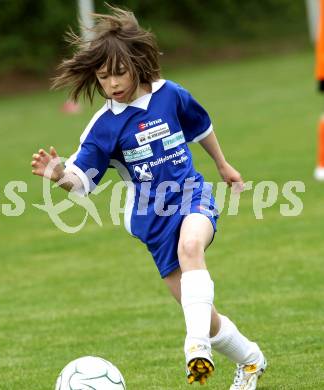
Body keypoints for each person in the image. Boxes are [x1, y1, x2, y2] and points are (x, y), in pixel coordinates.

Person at [31, 6, 266, 389]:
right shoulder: (105, 127)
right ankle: (251, 360)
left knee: (192, 246)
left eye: (119, 73)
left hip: (191, 195)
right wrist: (58, 174)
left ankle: (195, 349)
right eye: (103, 77)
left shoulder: (170, 95)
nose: (112, 84)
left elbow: (200, 126)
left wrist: (223, 165)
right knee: (205, 315)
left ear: (138, 63)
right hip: (152, 222)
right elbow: (80, 180)